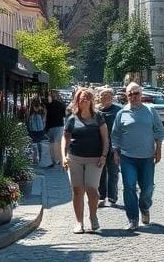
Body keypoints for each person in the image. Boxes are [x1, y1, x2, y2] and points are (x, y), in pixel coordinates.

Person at [110, 81, 164, 231]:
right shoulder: (121, 113)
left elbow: (159, 131)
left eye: (136, 94)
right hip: (127, 157)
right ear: (126, 96)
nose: (133, 97)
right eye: (130, 94)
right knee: (129, 187)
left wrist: (158, 149)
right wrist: (115, 151)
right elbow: (115, 135)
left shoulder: (150, 111)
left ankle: (144, 206)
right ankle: (132, 218)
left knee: (147, 187)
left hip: (147, 157)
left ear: (141, 95)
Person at [63, 87, 109, 233]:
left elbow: (105, 139)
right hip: (75, 157)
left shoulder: (98, 117)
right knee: (77, 190)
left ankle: (93, 216)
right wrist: (64, 156)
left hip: (94, 158)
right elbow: (65, 138)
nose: (85, 100)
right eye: (82, 98)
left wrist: (104, 155)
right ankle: (79, 222)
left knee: (92, 188)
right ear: (77, 100)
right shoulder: (72, 118)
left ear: (92, 101)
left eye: (88, 98)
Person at [96, 87, 121, 208]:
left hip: (113, 146)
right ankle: (101, 196)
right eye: (102, 97)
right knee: (100, 172)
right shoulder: (96, 111)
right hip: (98, 146)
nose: (104, 99)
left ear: (112, 98)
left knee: (113, 171)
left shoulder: (118, 111)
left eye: (107, 96)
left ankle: (112, 195)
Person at [45, 91, 67, 168]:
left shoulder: (47, 105)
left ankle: (54, 160)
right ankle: (58, 160)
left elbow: (45, 116)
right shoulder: (61, 104)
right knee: (57, 143)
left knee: (52, 144)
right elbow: (65, 115)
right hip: (58, 125)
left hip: (50, 126)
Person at [26, 97, 47, 166]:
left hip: (34, 129)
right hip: (39, 129)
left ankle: (35, 158)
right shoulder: (41, 110)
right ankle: (37, 158)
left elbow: (28, 119)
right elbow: (44, 119)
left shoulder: (31, 110)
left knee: (34, 144)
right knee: (38, 144)